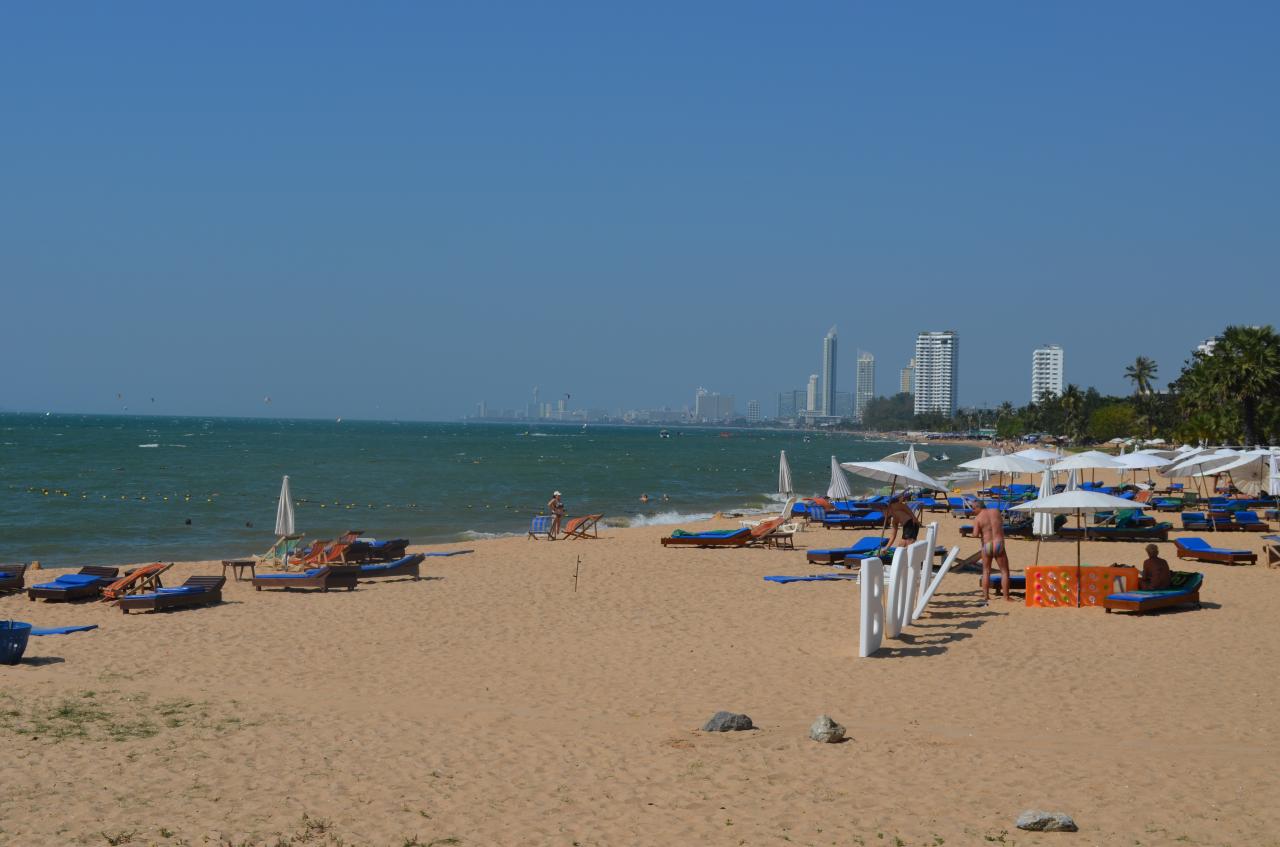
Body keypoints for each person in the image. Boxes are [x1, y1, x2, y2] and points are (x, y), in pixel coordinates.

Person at [972, 500, 1012, 603]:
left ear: (978, 507)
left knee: (986, 571)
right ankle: (1006, 597)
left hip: (987, 545)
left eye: (973, 508)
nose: (973, 511)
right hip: (998, 544)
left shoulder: (978, 518)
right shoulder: (996, 511)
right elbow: (1000, 523)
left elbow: (975, 534)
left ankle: (986, 596)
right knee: (1004, 572)